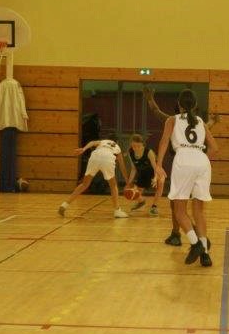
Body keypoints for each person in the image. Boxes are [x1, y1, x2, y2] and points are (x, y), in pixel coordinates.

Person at [145, 87, 220, 246]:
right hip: (200, 163)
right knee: (197, 208)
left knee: (177, 204)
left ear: (179, 104)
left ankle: (179, 234)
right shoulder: (198, 122)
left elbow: (156, 112)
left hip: (182, 163)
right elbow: (206, 134)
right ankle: (199, 239)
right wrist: (212, 122)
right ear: (195, 105)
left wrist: (150, 99)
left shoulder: (172, 120)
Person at [58, 138, 130, 218]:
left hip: (95, 156)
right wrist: (127, 182)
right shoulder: (117, 148)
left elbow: (92, 142)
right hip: (108, 158)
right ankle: (117, 210)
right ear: (116, 142)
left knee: (84, 184)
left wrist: (83, 149)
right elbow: (122, 166)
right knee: (113, 186)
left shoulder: (103, 142)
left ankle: (64, 204)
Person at [127, 133, 162, 216]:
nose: (136, 148)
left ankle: (154, 207)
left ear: (142, 144)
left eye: (138, 146)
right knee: (134, 192)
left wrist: (155, 178)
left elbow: (155, 168)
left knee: (160, 183)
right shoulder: (130, 152)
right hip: (143, 173)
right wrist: (129, 182)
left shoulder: (149, 152)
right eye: (133, 146)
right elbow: (133, 169)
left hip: (155, 171)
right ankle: (141, 202)